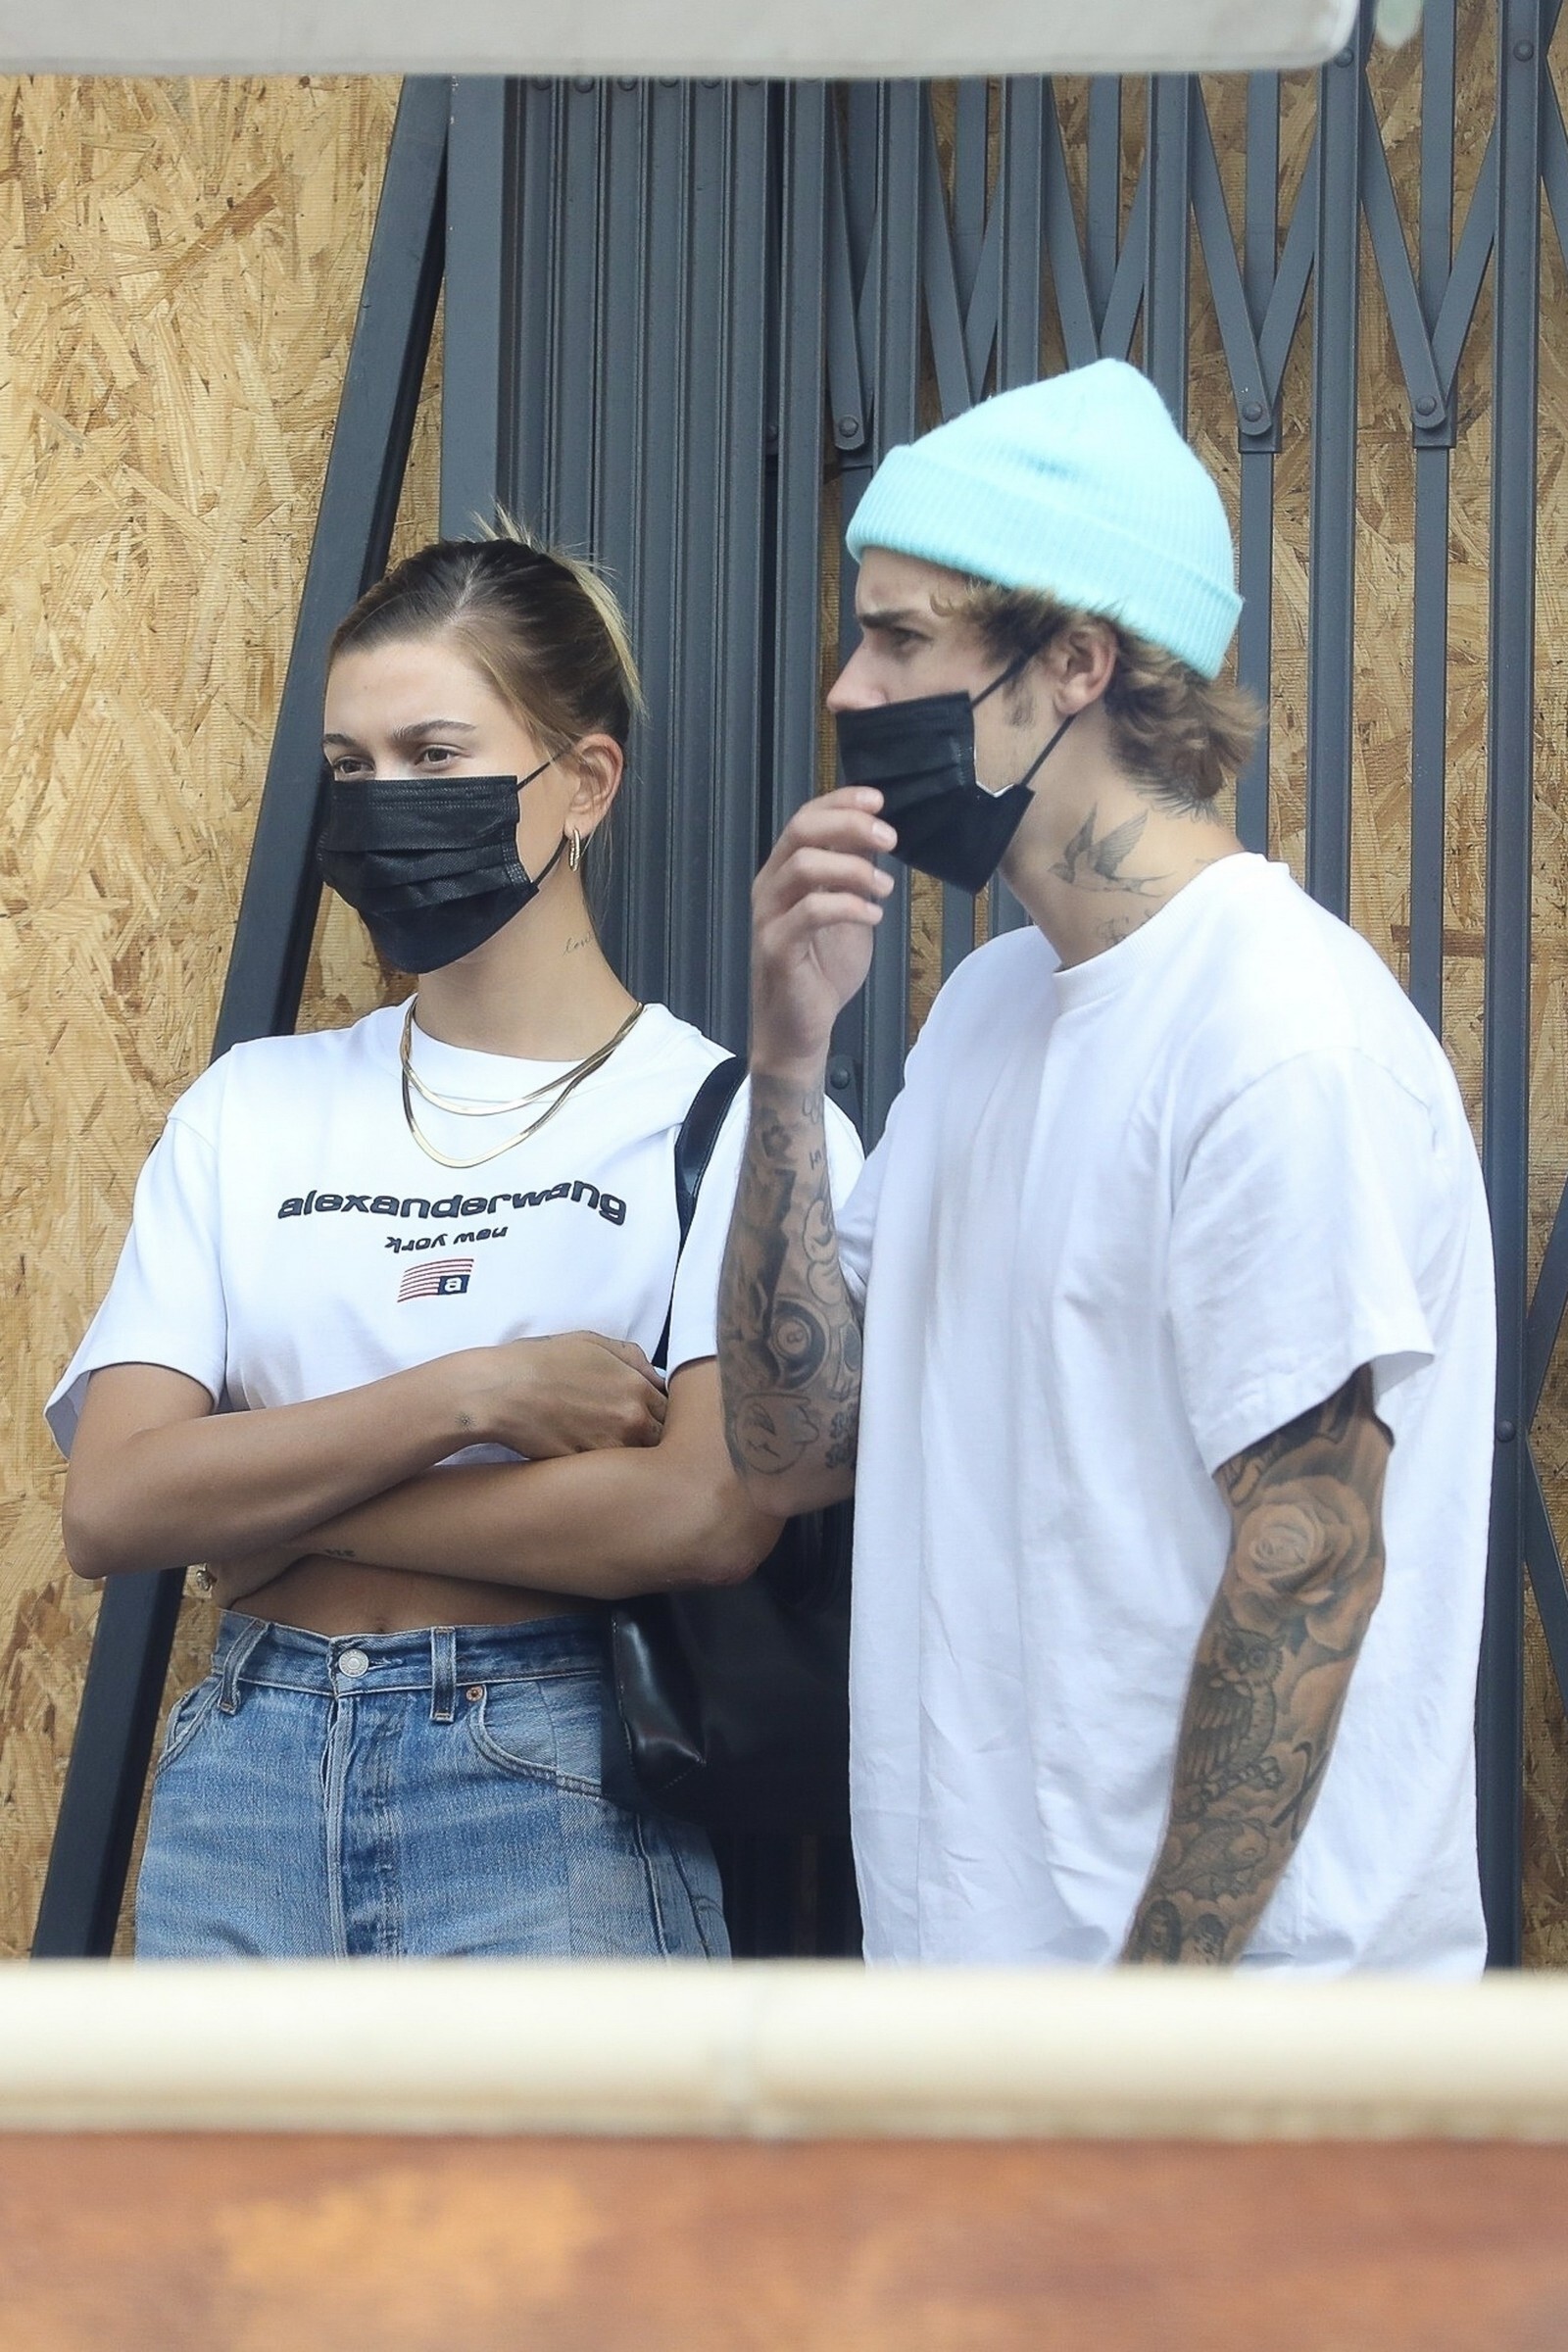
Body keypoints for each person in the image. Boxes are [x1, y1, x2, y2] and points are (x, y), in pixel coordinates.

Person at [717, 360, 1495, 1973]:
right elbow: (792, 1450)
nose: (851, 688)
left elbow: (1308, 1567)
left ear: (1073, 662)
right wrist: (787, 1064)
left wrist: (1147, 2045)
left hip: (1234, 2057)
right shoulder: (987, 1012)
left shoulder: (1278, 1035)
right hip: (990, 2018)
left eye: (903, 638)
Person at [48, 531, 862, 1961]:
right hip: (243, 1781)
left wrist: (272, 1512)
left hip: (556, 1780)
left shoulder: (734, 1122)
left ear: (585, 783)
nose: (384, 804)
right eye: (351, 767)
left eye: (434, 754)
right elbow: (115, 1505)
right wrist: (472, 1395)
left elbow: (700, 1515)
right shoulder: (253, 1107)